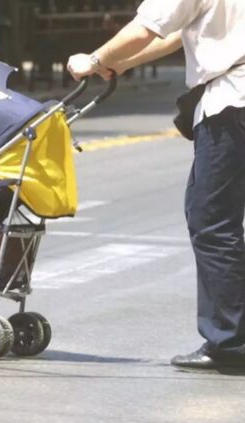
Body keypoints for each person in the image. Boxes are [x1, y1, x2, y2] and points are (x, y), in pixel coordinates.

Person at [66, 0, 245, 371]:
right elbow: (179, 31)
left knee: (212, 222)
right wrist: (123, 63)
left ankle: (230, 342)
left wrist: (94, 59)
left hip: (232, 103)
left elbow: (146, 28)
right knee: (216, 219)